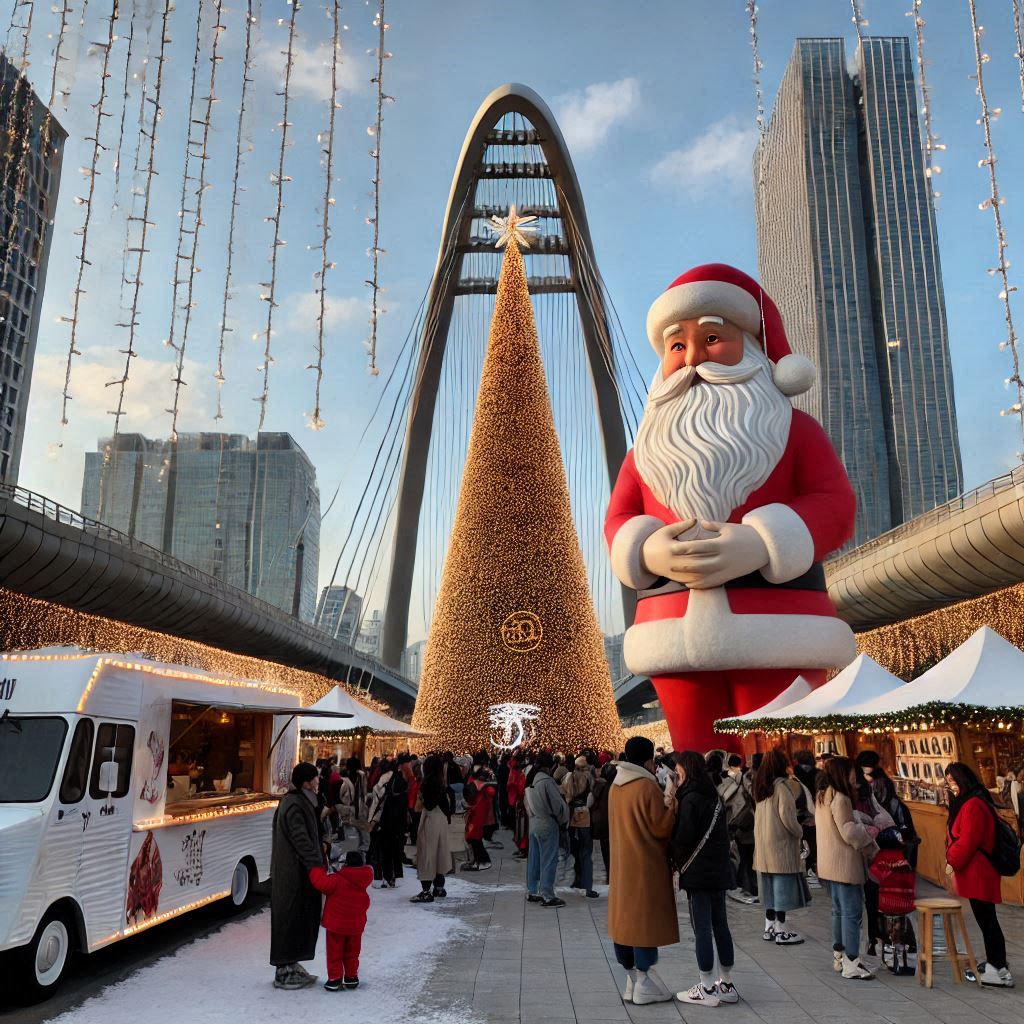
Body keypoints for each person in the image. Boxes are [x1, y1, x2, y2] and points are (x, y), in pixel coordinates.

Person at [603, 263, 857, 752]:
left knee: (777, 761)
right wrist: (645, 549)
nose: (694, 358)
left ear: (757, 351)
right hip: (671, 630)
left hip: (779, 629)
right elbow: (618, 521)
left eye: (714, 338)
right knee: (693, 758)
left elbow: (836, 504)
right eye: (677, 345)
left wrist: (763, 541)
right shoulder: (644, 453)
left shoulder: (796, 431)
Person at [608, 736, 678, 1006]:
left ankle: (630, 980)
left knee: (624, 922)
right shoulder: (646, 787)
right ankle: (644, 979)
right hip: (645, 865)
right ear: (649, 760)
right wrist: (672, 803)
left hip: (621, 865)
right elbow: (661, 827)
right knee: (643, 923)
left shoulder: (616, 785)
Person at [670, 751, 738, 1007]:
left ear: (686, 770)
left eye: (678, 770)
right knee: (721, 924)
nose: (676, 774)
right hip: (719, 870)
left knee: (702, 929)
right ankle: (727, 983)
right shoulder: (714, 796)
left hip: (698, 873)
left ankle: (707, 986)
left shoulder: (690, 799)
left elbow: (684, 837)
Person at [945, 761, 1014, 987]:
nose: (950, 786)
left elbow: (968, 840)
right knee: (987, 919)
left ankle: (998, 967)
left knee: (987, 919)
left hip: (979, 871)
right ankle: (998, 966)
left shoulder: (973, 804)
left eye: (953, 781)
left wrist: (951, 858)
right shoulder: (973, 800)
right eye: (948, 782)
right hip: (978, 870)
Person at [815, 756, 879, 980]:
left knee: (838, 911)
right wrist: (869, 834)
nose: (855, 775)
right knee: (851, 912)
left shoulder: (823, 795)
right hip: (845, 863)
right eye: (852, 771)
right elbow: (849, 832)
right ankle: (852, 961)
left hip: (830, 863)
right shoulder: (841, 798)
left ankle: (839, 955)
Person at [270, 762, 325, 990]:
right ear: (306, 782)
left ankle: (291, 963)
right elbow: (300, 838)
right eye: (315, 778)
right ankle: (283, 968)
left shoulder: (301, 801)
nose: (318, 781)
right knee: (289, 917)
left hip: (299, 871)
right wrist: (315, 863)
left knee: (299, 917)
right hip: (292, 873)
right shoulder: (294, 804)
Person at [752, 748, 806, 945]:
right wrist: (799, 832)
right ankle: (782, 930)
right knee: (781, 889)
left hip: (763, 847)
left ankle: (768, 927)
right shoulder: (782, 788)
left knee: (768, 890)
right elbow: (788, 819)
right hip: (780, 846)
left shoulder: (760, 787)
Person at [308, 850, 374, 991]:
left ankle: (335, 979)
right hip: (355, 927)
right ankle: (351, 978)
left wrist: (316, 868)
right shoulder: (364, 881)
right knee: (352, 953)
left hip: (336, 926)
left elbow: (320, 882)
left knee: (334, 953)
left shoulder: (337, 880)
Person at [525, 751, 569, 907]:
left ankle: (533, 891)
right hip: (547, 823)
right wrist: (564, 819)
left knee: (534, 860)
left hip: (534, 822)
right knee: (549, 860)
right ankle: (548, 895)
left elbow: (527, 805)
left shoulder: (530, 781)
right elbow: (557, 805)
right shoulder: (547, 781)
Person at [411, 755, 452, 903]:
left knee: (427, 855)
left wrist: (421, 797)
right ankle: (439, 887)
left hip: (430, 820)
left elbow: (428, 805)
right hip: (441, 820)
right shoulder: (441, 781)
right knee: (440, 854)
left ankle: (426, 891)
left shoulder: (428, 782)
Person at [562, 755, 598, 898]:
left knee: (574, 850)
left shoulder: (569, 777)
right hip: (585, 817)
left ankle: (577, 880)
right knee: (586, 852)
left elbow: (567, 796)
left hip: (571, 817)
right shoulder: (589, 779)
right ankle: (587, 886)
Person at [463, 766, 497, 871]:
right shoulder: (483, 785)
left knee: (474, 838)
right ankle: (477, 860)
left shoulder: (482, 786)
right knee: (473, 838)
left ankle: (483, 861)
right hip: (475, 813)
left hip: (477, 814)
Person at [590, 761, 615, 884]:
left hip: (601, 822)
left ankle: (609, 875)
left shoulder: (598, 786)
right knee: (613, 851)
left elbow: (591, 801)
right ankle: (613, 874)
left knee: (606, 850)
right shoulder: (617, 787)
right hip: (613, 822)